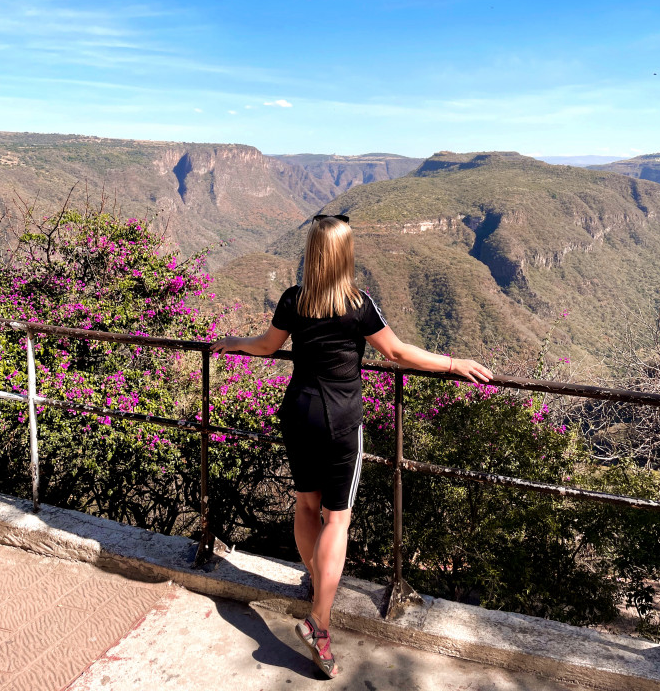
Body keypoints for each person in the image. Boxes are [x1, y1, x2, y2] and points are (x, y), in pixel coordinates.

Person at [211, 214, 493, 678]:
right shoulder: (360, 305)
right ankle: (319, 621)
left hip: (298, 410)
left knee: (305, 505)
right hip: (340, 419)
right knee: (336, 517)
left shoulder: (293, 300)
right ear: (345, 255)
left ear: (311, 252)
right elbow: (398, 353)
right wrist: (452, 363)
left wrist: (231, 342)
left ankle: (315, 585)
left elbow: (265, 346)